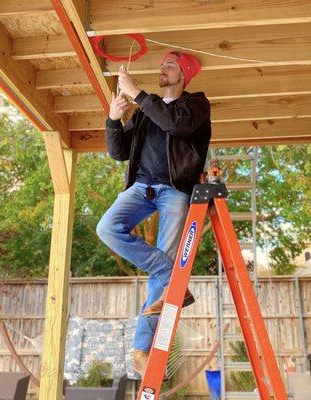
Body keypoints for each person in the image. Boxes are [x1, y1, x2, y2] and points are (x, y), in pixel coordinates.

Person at [96, 51, 211, 377]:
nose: (162, 68)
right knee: (106, 228)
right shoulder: (146, 113)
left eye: (169, 65)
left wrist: (138, 95)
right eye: (161, 65)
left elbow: (176, 124)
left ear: (184, 74)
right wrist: (113, 119)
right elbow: (118, 152)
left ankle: (142, 348)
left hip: (175, 191)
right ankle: (176, 276)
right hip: (140, 189)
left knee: (159, 276)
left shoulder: (197, 104)